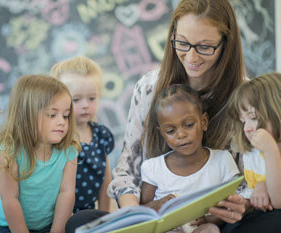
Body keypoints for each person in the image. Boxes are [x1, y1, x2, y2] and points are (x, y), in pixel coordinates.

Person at [66, 0, 254, 232]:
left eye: (205, 47)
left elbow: (250, 181)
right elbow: (127, 172)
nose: (191, 57)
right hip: (156, 222)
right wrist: (137, 218)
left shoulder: (246, 96)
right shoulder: (148, 87)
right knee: (79, 222)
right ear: (172, 36)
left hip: (214, 223)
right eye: (182, 43)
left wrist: (241, 205)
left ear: (226, 44)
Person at [0, 75, 80, 233]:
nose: (62, 122)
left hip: (47, 227)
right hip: (8, 227)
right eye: (52, 115)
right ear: (27, 116)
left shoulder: (69, 150)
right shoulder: (9, 151)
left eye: (65, 115)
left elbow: (66, 193)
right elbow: (10, 200)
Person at [140, 84, 239, 233]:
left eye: (189, 125)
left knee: (211, 229)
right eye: (171, 131)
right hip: (169, 229)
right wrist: (159, 204)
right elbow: (141, 210)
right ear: (162, 134)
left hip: (202, 228)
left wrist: (209, 219)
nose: (181, 135)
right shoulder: (153, 167)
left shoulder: (222, 160)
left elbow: (233, 205)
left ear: (204, 122)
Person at [51, 55, 115, 213]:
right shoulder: (57, 136)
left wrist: (104, 216)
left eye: (92, 98)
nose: (86, 105)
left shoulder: (101, 135)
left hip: (88, 211)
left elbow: (105, 180)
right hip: (56, 214)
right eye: (77, 100)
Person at [224, 72, 281, 232]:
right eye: (243, 121)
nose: (246, 128)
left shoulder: (268, 149)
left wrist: (271, 150)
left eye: (254, 117)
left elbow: (278, 201)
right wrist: (256, 191)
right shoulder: (253, 153)